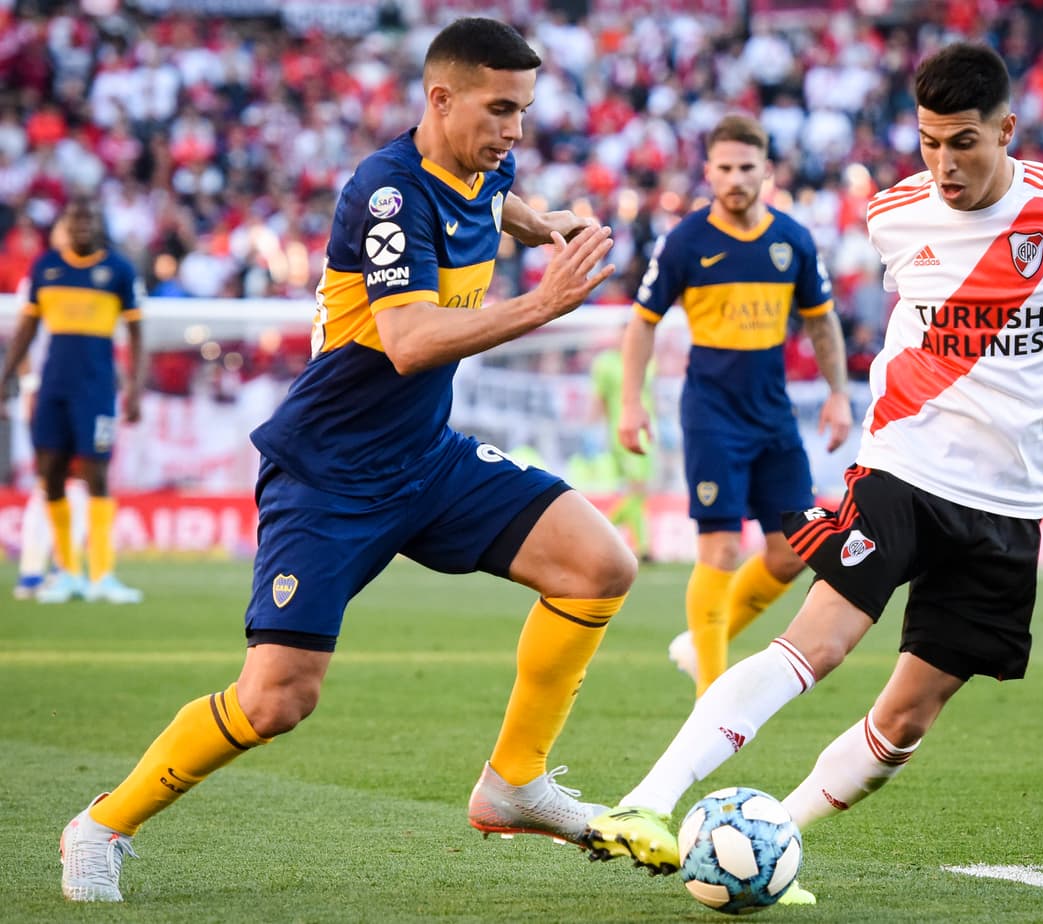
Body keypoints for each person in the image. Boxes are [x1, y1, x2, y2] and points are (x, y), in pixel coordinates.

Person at [585, 42, 1043, 893]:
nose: (942, 165)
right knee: (818, 642)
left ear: (1006, 129)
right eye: (928, 142)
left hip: (1007, 506)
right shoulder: (893, 213)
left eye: (962, 142)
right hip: (904, 468)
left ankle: (773, 838)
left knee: (907, 718)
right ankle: (648, 800)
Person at [55, 18, 634, 903]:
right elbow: (405, 342)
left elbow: (497, 203)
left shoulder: (484, 166)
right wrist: (543, 302)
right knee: (275, 701)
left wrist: (540, 224)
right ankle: (101, 824)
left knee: (599, 564)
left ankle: (514, 783)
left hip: (425, 457)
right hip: (330, 473)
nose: (516, 130)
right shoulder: (388, 193)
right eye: (501, 109)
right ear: (439, 99)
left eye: (523, 109)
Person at [616, 113, 852, 697]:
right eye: (724, 168)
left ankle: (702, 646)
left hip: (772, 413)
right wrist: (630, 403)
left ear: (766, 171)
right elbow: (642, 325)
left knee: (792, 552)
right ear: (708, 172)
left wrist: (839, 393)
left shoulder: (792, 239)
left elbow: (822, 324)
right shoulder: (687, 241)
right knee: (720, 546)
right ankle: (711, 695)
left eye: (747, 167)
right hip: (711, 412)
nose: (736, 178)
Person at [0, 197, 145, 604]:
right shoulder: (46, 268)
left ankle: (102, 575)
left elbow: (137, 335)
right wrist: (6, 375)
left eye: (89, 219)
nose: (82, 226)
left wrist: (134, 388)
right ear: (65, 224)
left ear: (99, 226)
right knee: (49, 476)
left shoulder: (118, 270)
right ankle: (67, 573)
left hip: (96, 389)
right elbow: (27, 328)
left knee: (96, 475)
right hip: (53, 388)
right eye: (75, 219)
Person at [590, 333, 655, 562]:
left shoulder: (647, 361)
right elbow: (600, 399)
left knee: (639, 492)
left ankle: (640, 546)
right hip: (623, 431)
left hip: (646, 431)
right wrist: (595, 429)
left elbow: (650, 395)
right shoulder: (606, 364)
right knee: (637, 489)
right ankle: (602, 533)